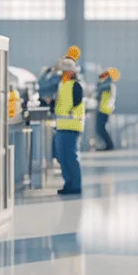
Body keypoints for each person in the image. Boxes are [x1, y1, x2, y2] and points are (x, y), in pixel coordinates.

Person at [52, 57, 85, 196]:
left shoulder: (75, 86)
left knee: (70, 157)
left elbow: (76, 105)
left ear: (71, 72)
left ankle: (75, 185)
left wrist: (69, 114)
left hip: (71, 127)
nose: (61, 75)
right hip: (62, 126)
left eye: (64, 72)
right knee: (62, 157)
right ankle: (68, 183)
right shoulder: (63, 86)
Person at [95, 68, 120, 151]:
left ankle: (109, 145)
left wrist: (99, 82)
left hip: (104, 109)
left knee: (100, 128)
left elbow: (99, 89)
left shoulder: (107, 84)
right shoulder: (109, 84)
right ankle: (108, 145)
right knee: (101, 128)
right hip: (105, 108)